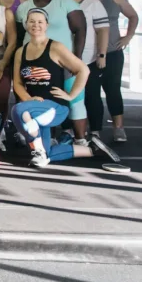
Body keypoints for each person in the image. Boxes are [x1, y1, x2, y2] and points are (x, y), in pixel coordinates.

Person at [11, 9, 98, 167]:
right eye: (31, 21)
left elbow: (83, 70)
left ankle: (38, 151)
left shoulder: (56, 47)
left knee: (18, 110)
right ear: (26, 24)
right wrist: (29, 99)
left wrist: (71, 96)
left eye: (40, 22)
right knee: (47, 151)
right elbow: (17, 83)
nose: (36, 25)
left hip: (55, 107)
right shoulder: (20, 52)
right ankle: (92, 150)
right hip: (33, 108)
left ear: (47, 25)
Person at [85, 0, 139, 143]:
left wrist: (128, 37)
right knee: (92, 94)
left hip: (113, 53)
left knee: (113, 91)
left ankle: (119, 128)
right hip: (90, 55)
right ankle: (95, 131)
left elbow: (133, 16)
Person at [66, 0, 111, 143]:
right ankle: (69, 130)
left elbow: (103, 31)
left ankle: (95, 131)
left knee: (92, 96)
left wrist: (102, 55)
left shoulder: (93, 4)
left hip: (89, 59)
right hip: (65, 60)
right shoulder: (61, 2)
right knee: (68, 96)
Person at [28, 0, 87, 67]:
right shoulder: (23, 7)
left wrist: (77, 59)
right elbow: (20, 36)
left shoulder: (66, 2)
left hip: (62, 62)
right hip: (31, 61)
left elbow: (80, 30)